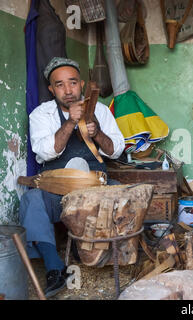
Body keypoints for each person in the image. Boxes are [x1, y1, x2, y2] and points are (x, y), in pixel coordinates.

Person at [19, 57, 125, 298]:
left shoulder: (100, 110)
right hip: (57, 191)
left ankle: (89, 249)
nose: (68, 91)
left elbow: (116, 150)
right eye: (59, 85)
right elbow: (45, 152)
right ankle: (55, 267)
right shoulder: (41, 114)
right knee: (32, 201)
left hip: (95, 189)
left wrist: (96, 132)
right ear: (51, 89)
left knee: (122, 193)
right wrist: (70, 123)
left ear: (82, 84)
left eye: (73, 83)